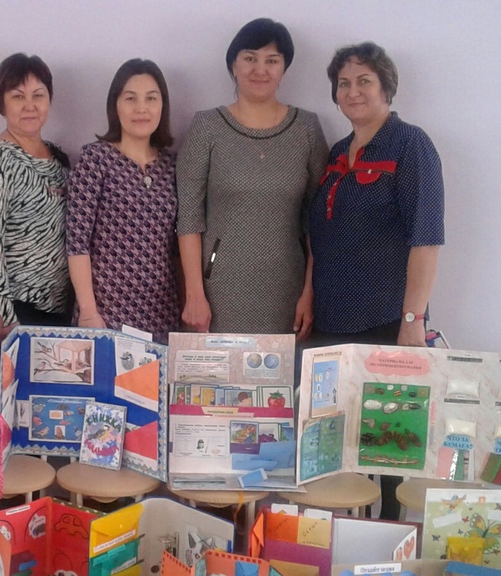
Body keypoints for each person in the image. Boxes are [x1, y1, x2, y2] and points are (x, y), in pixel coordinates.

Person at [306, 42, 445, 519]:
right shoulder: (337, 153)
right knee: (332, 448)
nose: (353, 91)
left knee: (387, 451)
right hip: (330, 325)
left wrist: (413, 320)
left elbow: (427, 239)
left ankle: (384, 540)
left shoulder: (411, 145)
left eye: (364, 81)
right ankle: (333, 541)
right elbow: (319, 235)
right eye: (343, 83)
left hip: (387, 322)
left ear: (386, 87)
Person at [176, 18, 328, 337]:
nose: (261, 69)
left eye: (272, 60)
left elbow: (318, 220)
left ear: (284, 69)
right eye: (250, 58)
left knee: (281, 371)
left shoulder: (307, 129)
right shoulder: (207, 127)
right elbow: (188, 217)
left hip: (289, 291)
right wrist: (194, 294)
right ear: (234, 65)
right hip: (218, 291)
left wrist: (311, 291)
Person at [66, 59, 179, 342]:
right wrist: (88, 311)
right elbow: (77, 242)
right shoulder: (95, 160)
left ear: (162, 105)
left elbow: (178, 245)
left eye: (151, 98)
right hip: (105, 313)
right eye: (131, 98)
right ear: (115, 105)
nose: (141, 108)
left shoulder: (173, 166)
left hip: (161, 312)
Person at [0, 53, 71, 346]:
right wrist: (4, 314)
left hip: (61, 307)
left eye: (38, 95)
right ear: (1, 103)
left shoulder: (58, 158)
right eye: (17, 96)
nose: (30, 105)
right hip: (17, 310)